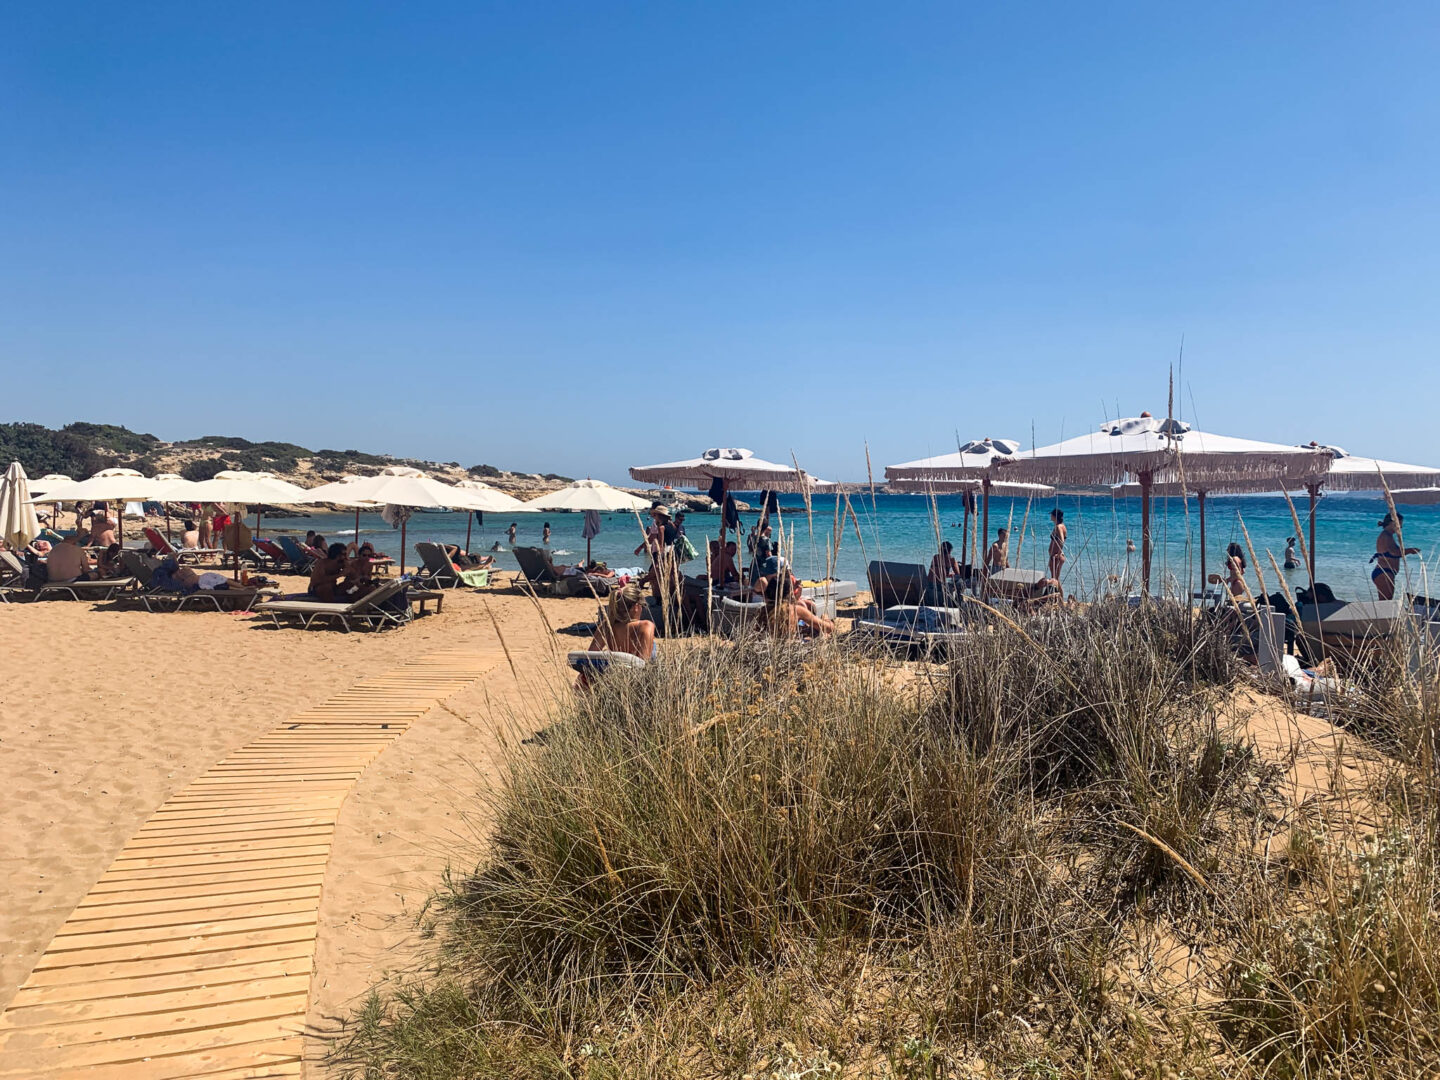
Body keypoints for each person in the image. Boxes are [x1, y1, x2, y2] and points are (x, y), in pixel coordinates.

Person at [585, 582, 657, 663]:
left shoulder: (607, 626)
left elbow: (589, 658)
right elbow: (644, 663)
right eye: (642, 606)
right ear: (636, 607)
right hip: (635, 674)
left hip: (614, 671)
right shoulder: (645, 626)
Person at [764, 574, 834, 637]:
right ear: (790, 593)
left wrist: (796, 597)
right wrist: (826, 618)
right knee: (825, 635)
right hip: (790, 648)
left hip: (768, 647)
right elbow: (829, 628)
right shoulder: (795, 610)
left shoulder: (763, 610)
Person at [1371, 513, 1420, 601]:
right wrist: (1409, 551)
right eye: (1399, 524)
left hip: (1386, 572)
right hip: (1384, 572)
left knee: (1386, 600)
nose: (1400, 527)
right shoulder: (1385, 536)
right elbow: (1394, 553)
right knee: (1385, 602)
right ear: (1392, 523)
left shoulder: (1388, 535)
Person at [1048, 508, 1066, 582]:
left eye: (1051, 515)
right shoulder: (1059, 526)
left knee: (1055, 579)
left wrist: (1058, 554)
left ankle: (1060, 594)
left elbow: (1061, 540)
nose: (1050, 516)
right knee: (1054, 578)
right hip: (1054, 556)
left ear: (1055, 516)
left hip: (1056, 556)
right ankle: (1056, 593)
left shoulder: (1059, 527)